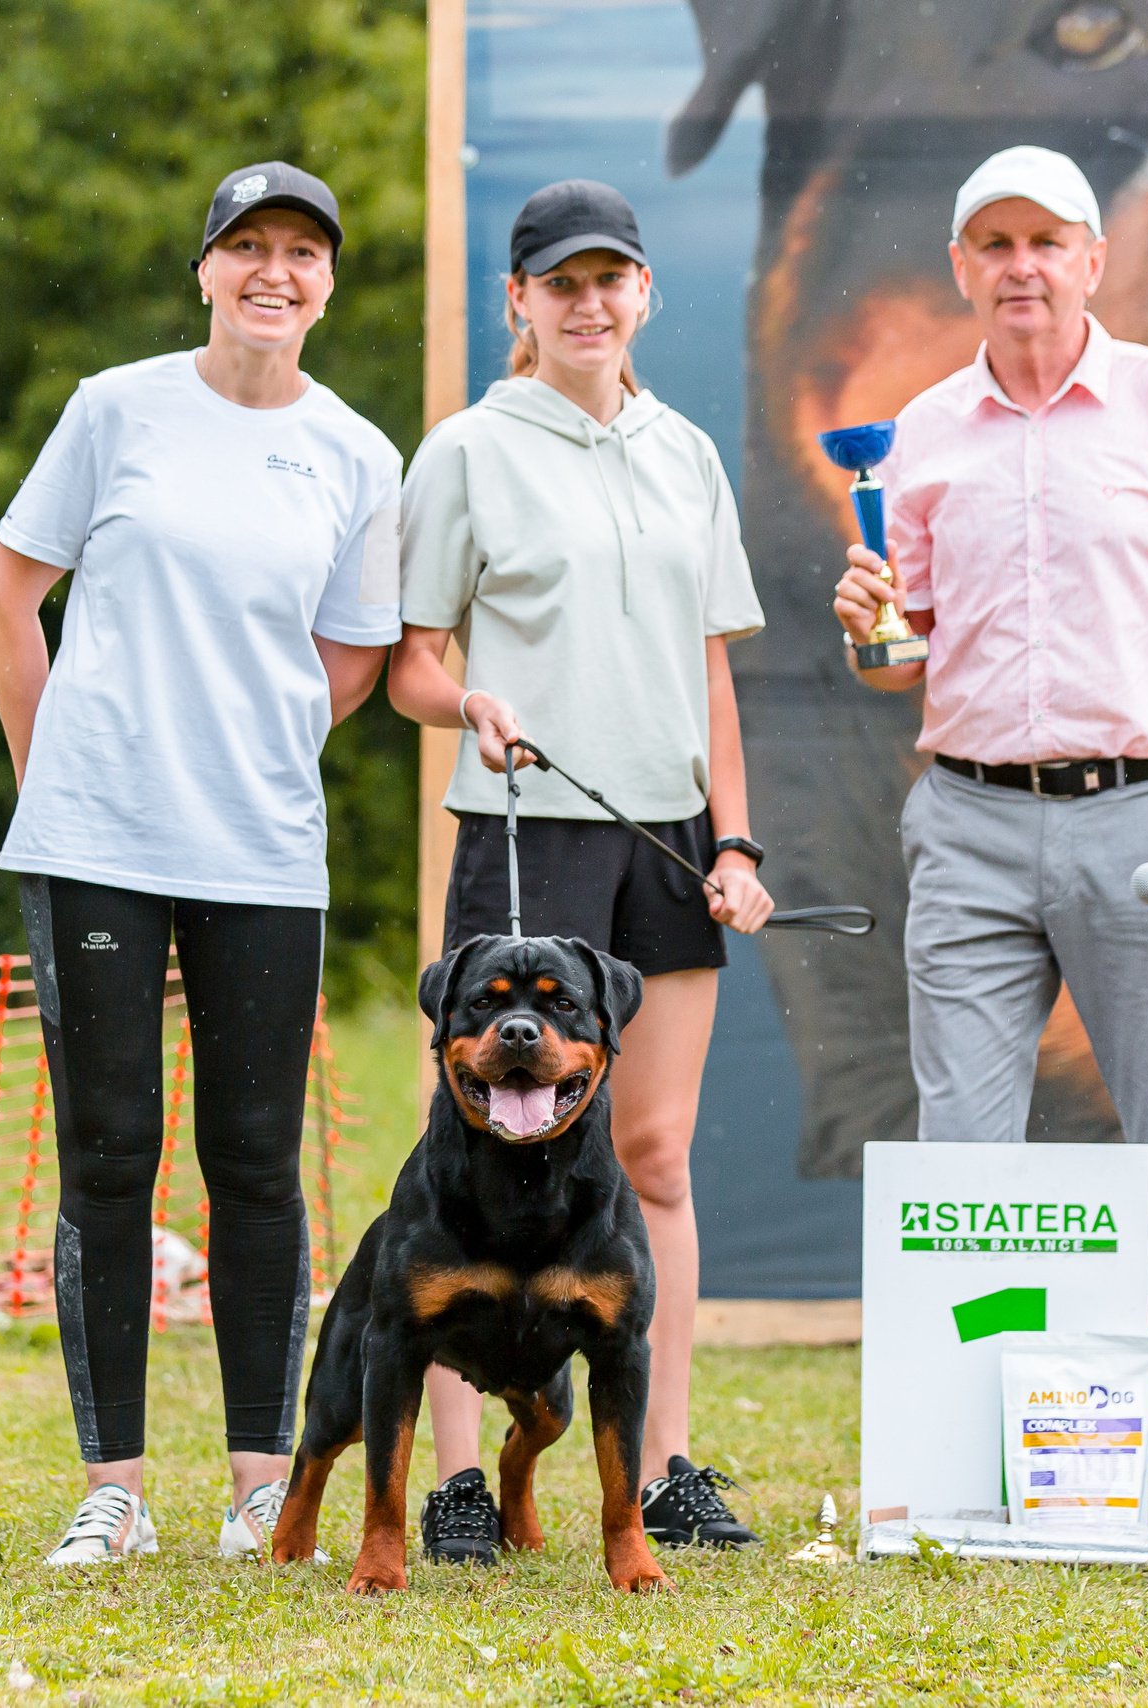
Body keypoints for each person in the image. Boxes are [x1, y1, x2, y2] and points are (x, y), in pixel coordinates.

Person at [830, 146, 1148, 1494]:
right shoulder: (917, 432)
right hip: (967, 823)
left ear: (1095, 260)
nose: (1022, 266)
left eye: (1048, 241)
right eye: (996, 244)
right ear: (961, 268)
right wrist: (867, 631)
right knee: (963, 1176)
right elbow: (899, 652)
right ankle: (977, 1471)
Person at [0, 162, 404, 1565]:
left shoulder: (355, 453)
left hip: (262, 848)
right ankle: (113, 1490)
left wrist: (250, 737)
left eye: (301, 253)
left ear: (327, 283)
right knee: (109, 1154)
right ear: (205, 269)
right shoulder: (118, 408)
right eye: (247, 249)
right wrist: (60, 771)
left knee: (258, 1161)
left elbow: (352, 656)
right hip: (94, 839)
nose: (273, 273)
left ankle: (255, 1487)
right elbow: (9, 591)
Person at [388, 179, 775, 1559]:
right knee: (473, 1156)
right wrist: (468, 705)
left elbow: (713, 669)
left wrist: (734, 841)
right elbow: (410, 666)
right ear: (521, 304)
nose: (590, 303)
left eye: (613, 279)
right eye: (563, 284)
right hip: (522, 828)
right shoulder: (468, 451)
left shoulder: (686, 452)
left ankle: (662, 1466)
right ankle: (450, 1485)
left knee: (655, 1153)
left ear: (645, 293)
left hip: (667, 841)